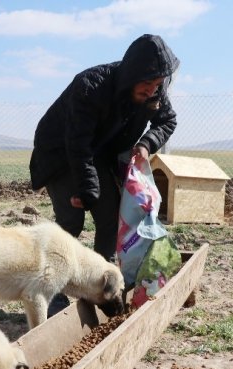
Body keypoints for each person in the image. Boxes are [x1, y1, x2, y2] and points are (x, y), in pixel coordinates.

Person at [28, 34, 180, 316]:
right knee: (70, 224)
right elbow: (78, 144)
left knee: (110, 219)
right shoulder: (91, 86)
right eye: (147, 84)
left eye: (157, 85)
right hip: (60, 153)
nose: (152, 92)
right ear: (132, 74)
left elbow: (167, 121)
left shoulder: (153, 93)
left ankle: (104, 286)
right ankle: (55, 293)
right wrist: (87, 191)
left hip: (98, 154)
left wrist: (146, 144)